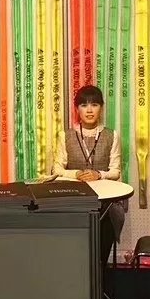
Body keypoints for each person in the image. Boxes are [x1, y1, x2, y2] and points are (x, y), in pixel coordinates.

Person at [52, 85, 125, 266]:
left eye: (94, 104)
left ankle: (100, 270)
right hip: (75, 200)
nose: (90, 110)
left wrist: (99, 174)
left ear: (101, 108)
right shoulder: (65, 135)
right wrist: (76, 174)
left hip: (105, 203)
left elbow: (116, 171)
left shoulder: (111, 135)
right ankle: (77, 270)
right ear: (77, 109)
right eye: (84, 105)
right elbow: (56, 170)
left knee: (106, 225)